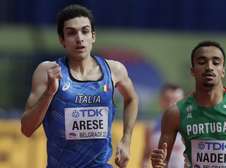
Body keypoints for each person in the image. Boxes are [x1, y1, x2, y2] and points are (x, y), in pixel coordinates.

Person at [20, 4, 138, 168]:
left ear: (93, 36)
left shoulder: (114, 70)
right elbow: (26, 129)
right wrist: (50, 92)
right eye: (71, 33)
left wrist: (126, 140)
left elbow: (132, 99)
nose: (80, 38)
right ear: (62, 40)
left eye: (85, 31)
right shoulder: (47, 71)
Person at [151, 41, 226, 168]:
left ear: (223, 71)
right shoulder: (175, 113)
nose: (209, 67)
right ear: (193, 71)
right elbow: (162, 163)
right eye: (202, 62)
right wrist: (158, 163)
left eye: (216, 62)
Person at [141, 83, 185, 168]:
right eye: (168, 100)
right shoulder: (151, 127)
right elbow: (146, 156)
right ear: (161, 101)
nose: (172, 104)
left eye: (176, 100)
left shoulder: (190, 126)